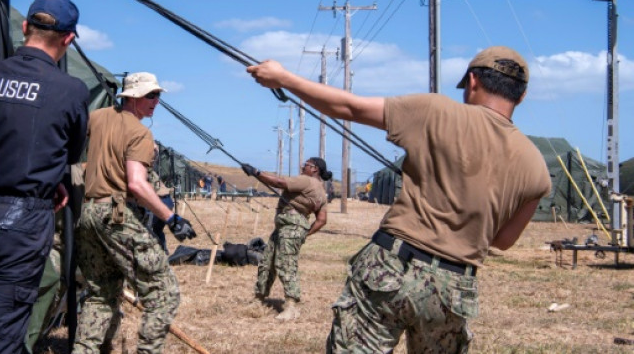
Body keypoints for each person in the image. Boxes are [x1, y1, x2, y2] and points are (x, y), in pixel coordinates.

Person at [247, 46, 551, 353]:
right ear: (521, 96)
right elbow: (502, 241)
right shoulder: (537, 168)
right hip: (453, 288)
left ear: (473, 81)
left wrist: (283, 78)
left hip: (390, 267)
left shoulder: (435, 111)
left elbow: (349, 107)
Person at [0, 0, 90, 354]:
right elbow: (69, 154)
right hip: (22, 220)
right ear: (68, 39)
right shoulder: (72, 91)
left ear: (24, 28)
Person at [75, 72, 197, 354]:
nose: (156, 101)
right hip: (115, 215)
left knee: (100, 294)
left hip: (89, 213)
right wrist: (172, 219)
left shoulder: (98, 117)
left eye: (158, 96)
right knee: (164, 294)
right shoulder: (140, 133)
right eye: (151, 96)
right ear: (132, 97)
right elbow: (136, 184)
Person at [241, 157, 330, 321]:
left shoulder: (308, 181)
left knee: (286, 264)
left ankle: (291, 306)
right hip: (288, 227)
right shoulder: (321, 192)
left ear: (315, 169)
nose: (303, 167)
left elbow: (280, 182)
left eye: (306, 165)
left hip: (290, 226)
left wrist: (255, 172)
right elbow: (321, 220)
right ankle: (259, 299)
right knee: (267, 261)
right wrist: (305, 233)